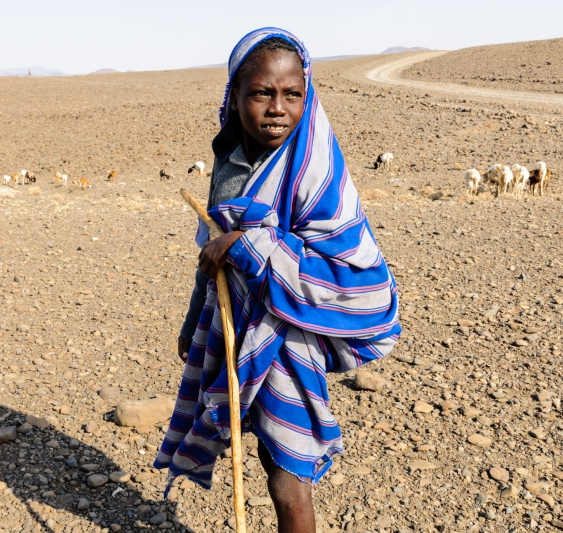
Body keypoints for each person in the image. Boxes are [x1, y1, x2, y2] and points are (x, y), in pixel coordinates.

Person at [154, 28, 401, 533]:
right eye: (262, 93)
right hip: (236, 327)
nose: (277, 108)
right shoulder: (227, 166)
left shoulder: (316, 165)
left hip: (289, 337)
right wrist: (192, 321)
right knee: (267, 459)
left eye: (292, 94)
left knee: (289, 477)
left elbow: (355, 267)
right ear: (235, 95)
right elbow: (211, 251)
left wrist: (249, 245)